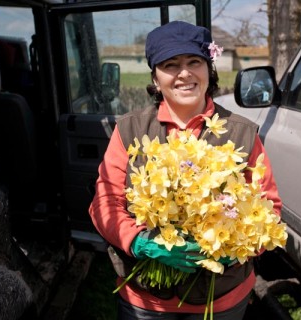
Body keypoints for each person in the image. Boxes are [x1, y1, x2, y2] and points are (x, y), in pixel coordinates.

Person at [89, 21, 282, 320]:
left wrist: (239, 247)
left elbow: (269, 207)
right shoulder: (130, 129)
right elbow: (105, 203)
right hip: (146, 302)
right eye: (170, 64)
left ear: (209, 70)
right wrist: (140, 243)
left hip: (222, 298)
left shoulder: (241, 132)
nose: (184, 73)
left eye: (195, 62)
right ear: (155, 77)